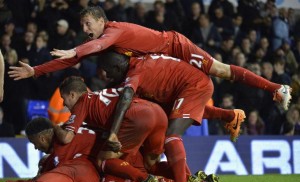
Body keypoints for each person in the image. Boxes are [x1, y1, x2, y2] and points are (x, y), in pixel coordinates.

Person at [8, 6, 292, 111]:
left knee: (220, 70)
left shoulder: (113, 30)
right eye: (82, 28)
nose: (85, 31)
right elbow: (72, 61)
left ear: (100, 20)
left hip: (174, 46)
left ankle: (277, 88)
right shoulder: (95, 40)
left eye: (87, 25)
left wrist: (75, 50)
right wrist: (36, 70)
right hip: (157, 62)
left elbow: (96, 46)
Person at [96, 51, 230, 182]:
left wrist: (112, 131)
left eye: (108, 72)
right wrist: (225, 115)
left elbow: (124, 100)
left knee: (106, 164)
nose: (107, 76)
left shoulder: (127, 85)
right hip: (157, 127)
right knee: (153, 164)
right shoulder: (151, 78)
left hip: (136, 137)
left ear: (117, 68)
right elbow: (193, 108)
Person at [22, 117, 103, 182]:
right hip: (97, 180)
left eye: (34, 143)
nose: (35, 147)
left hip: (78, 174)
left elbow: (57, 174)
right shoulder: (73, 126)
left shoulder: (60, 149)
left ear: (41, 138)